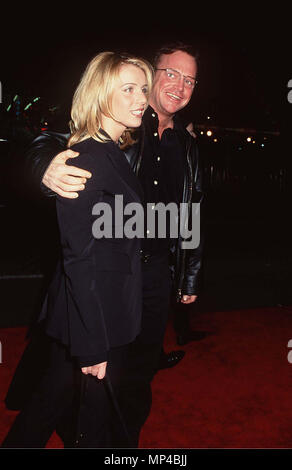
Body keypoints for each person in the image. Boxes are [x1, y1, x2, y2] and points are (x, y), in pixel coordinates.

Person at [6, 42, 205, 447]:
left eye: (190, 80)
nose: (180, 85)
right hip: (107, 272)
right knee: (91, 372)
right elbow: (54, 142)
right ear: (153, 76)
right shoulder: (124, 122)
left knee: (138, 371)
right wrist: (45, 168)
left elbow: (192, 209)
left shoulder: (186, 144)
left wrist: (189, 274)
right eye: (171, 73)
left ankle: (122, 442)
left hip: (154, 274)